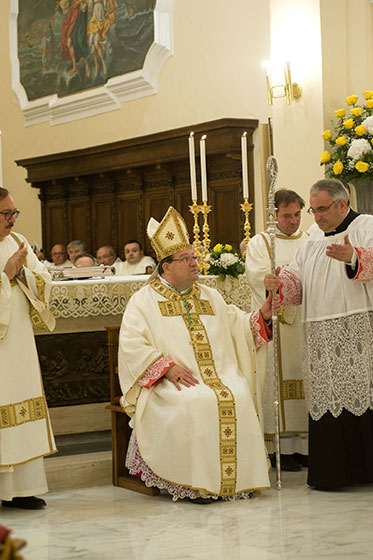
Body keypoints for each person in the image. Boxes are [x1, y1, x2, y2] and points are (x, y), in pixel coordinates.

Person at [118, 207, 280, 502]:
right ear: (166, 267)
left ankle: (239, 481)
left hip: (220, 376)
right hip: (171, 382)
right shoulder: (143, 301)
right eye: (187, 259)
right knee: (195, 401)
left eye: (194, 257)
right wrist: (165, 367)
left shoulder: (209, 295)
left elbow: (238, 327)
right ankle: (195, 483)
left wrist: (262, 316)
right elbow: (131, 345)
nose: (195, 264)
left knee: (238, 394)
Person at [264, 178, 373, 490]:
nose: (317, 217)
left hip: (361, 329)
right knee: (330, 400)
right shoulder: (312, 238)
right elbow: (296, 279)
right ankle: (335, 473)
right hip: (321, 333)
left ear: (342, 203)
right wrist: (280, 284)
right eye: (313, 210)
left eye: (322, 209)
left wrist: (354, 257)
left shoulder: (366, 226)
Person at [0, 187, 56, 510]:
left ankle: (22, 489)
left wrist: (22, 274)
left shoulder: (18, 242)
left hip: (18, 340)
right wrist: (5, 275)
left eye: (14, 213)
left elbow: (44, 280)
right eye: (6, 214)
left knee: (23, 403)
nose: (12, 219)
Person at [245, 189, 309, 471]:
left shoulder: (308, 240)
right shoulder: (261, 242)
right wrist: (274, 280)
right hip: (277, 321)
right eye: (287, 215)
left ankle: (304, 447)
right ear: (274, 215)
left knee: (302, 377)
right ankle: (276, 449)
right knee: (275, 381)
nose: (293, 221)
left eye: (297, 214)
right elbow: (256, 275)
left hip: (303, 320)